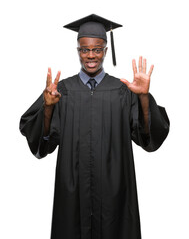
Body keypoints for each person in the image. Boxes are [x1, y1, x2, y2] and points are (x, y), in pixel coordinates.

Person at [20, 14, 170, 239]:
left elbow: (148, 138)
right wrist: (48, 108)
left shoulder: (122, 91)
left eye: (97, 50)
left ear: (106, 51)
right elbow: (42, 144)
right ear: (78, 50)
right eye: (85, 50)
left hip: (115, 193)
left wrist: (145, 98)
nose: (91, 56)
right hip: (72, 194)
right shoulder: (62, 91)